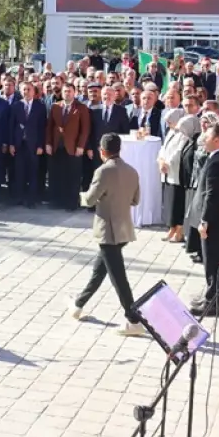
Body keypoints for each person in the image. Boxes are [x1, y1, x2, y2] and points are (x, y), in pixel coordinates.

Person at [65, 134, 145, 336]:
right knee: (99, 271)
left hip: (108, 230)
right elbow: (135, 200)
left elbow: (91, 200)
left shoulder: (103, 171)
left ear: (102, 151)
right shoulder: (132, 171)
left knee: (118, 277)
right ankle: (78, 304)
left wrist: (80, 196)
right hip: (124, 229)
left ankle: (133, 319)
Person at [190, 123, 219, 317]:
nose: (203, 140)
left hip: (215, 221)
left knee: (211, 260)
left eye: (207, 137)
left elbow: (212, 194)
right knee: (210, 259)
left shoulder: (218, 161)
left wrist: (205, 221)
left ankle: (212, 302)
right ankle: (210, 295)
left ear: (217, 140)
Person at [47, 83, 90, 211]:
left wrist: (81, 146)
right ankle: (56, 201)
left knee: (73, 176)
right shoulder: (55, 106)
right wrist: (48, 143)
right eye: (65, 91)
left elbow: (85, 129)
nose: (67, 93)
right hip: (57, 147)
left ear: (74, 93)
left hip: (73, 147)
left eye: (70, 91)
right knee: (57, 175)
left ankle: (71, 203)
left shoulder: (81, 108)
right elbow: (49, 127)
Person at [157, 111, 198, 242]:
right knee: (169, 202)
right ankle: (171, 228)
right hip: (167, 172)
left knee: (177, 202)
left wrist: (167, 163)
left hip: (176, 172)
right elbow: (164, 148)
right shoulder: (171, 132)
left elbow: (178, 152)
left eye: (170, 121)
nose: (168, 124)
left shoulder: (184, 134)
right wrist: (161, 160)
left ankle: (179, 230)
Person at [9, 81, 47, 208]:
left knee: (33, 172)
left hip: (34, 144)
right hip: (19, 144)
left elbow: (42, 127)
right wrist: (11, 144)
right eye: (24, 89)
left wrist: (41, 145)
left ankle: (31, 199)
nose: (26, 92)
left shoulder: (40, 107)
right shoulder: (16, 106)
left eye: (29, 89)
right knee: (19, 171)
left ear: (33, 91)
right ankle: (19, 197)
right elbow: (11, 126)